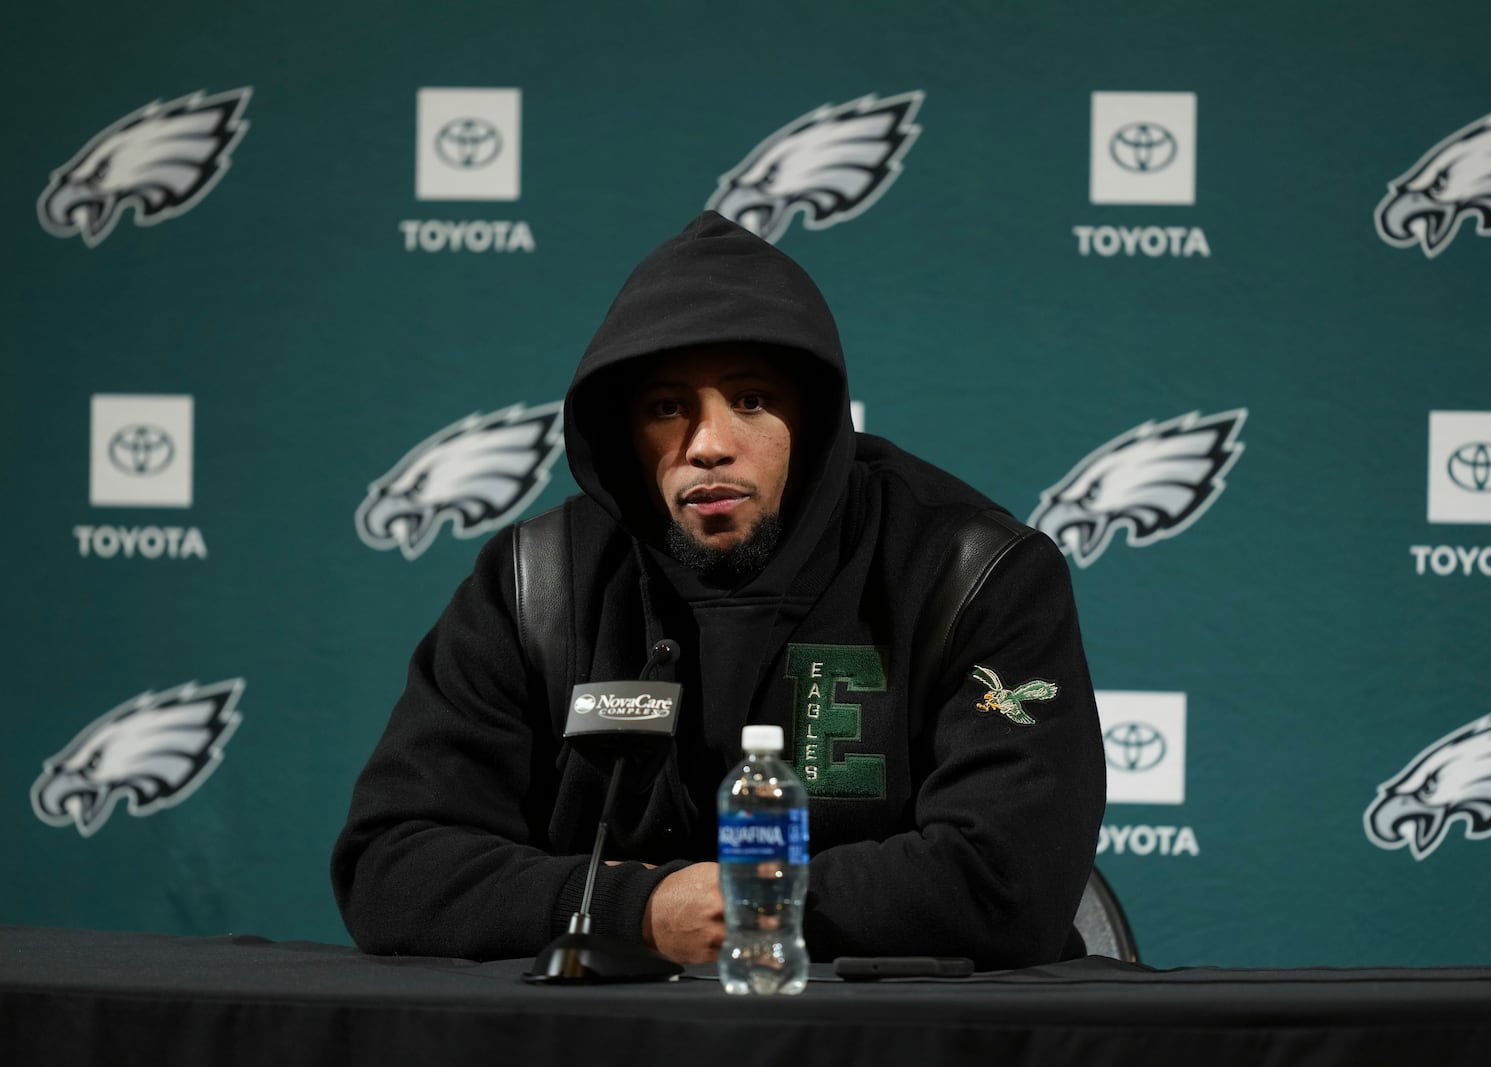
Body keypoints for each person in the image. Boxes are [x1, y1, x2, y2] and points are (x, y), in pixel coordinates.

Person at [332, 212, 1105, 969]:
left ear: (817, 418)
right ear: (620, 430)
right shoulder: (540, 581)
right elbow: (391, 866)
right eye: (667, 408)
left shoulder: (971, 571)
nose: (707, 444)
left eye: (751, 400)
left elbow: (1011, 878)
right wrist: (637, 913)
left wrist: (741, 906)